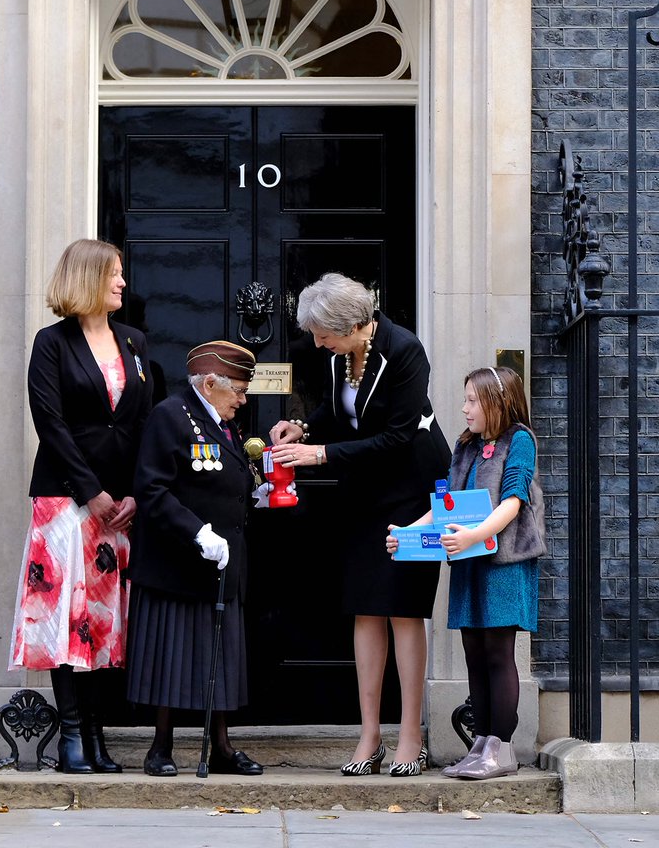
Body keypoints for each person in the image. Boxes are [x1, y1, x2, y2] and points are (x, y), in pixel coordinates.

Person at [269, 273, 451, 777]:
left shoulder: (406, 351)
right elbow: (338, 411)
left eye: (322, 333)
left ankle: (410, 736)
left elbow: (396, 436)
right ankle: (369, 736)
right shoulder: (337, 356)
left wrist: (317, 453)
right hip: (362, 497)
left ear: (351, 325)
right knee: (366, 610)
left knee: (404, 609)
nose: (316, 342)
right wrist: (303, 427)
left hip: (412, 492)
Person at [8, 238, 153, 773]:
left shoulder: (134, 342)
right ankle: (71, 735)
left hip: (120, 507)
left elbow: (144, 424)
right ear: (88, 278)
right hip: (66, 501)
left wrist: (137, 491)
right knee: (67, 620)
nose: (121, 282)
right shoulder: (52, 343)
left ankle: (96, 733)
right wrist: (90, 491)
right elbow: (51, 423)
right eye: (113, 274)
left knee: (101, 621)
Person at [387, 366, 546, 780]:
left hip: (504, 563)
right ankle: (480, 744)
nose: (465, 409)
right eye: (465, 400)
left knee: (498, 652)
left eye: (472, 400)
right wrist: (409, 532)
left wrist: (474, 535)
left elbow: (513, 501)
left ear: (498, 401)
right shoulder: (466, 446)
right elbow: (449, 504)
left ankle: (501, 748)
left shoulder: (520, 440)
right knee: (474, 652)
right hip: (470, 563)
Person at [126, 340, 263, 778]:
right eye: (238, 390)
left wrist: (256, 493)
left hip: (223, 567)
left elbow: (226, 477)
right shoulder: (171, 416)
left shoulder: (223, 423)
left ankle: (221, 746)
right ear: (210, 382)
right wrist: (196, 532)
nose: (242, 400)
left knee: (219, 658)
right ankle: (160, 748)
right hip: (178, 564)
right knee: (172, 657)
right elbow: (152, 489)